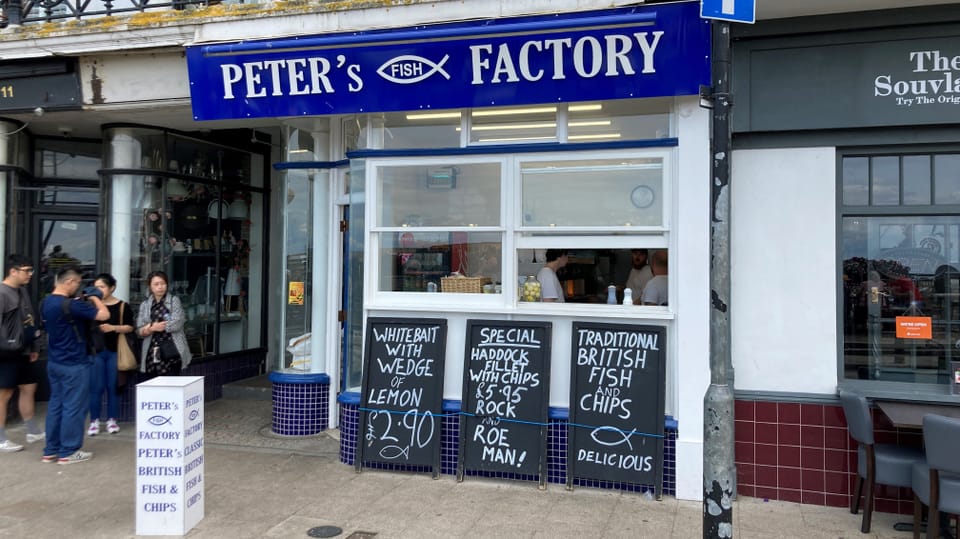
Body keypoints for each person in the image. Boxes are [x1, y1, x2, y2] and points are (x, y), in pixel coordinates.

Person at [41, 266, 109, 464]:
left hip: (54, 361)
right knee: (74, 407)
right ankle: (68, 451)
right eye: (78, 283)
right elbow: (103, 315)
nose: (79, 287)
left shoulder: (45, 302)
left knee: (56, 405)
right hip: (75, 363)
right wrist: (95, 297)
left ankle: (50, 450)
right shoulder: (72, 305)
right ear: (69, 282)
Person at [0, 254, 44, 452]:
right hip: (6, 352)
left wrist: (34, 347)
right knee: (4, 394)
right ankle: (1, 438)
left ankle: (32, 430)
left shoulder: (23, 291)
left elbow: (30, 318)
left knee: (29, 387)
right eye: (26, 271)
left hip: (25, 349)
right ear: (13, 271)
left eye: (31, 270)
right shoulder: (2, 293)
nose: (30, 275)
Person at [87, 273, 134, 436]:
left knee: (113, 386)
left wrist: (113, 327)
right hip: (95, 352)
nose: (98, 290)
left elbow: (130, 327)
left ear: (111, 288)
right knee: (96, 388)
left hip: (115, 351)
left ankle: (112, 420)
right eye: (96, 287)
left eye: (102, 287)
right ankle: (94, 421)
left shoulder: (122, 306)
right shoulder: (89, 306)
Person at [137, 271, 191, 376]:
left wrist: (156, 326)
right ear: (150, 286)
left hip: (171, 348)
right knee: (153, 381)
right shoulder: (145, 304)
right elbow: (140, 330)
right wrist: (151, 328)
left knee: (171, 380)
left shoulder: (174, 300)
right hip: (152, 349)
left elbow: (177, 322)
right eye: (156, 284)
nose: (160, 287)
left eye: (163, 283)